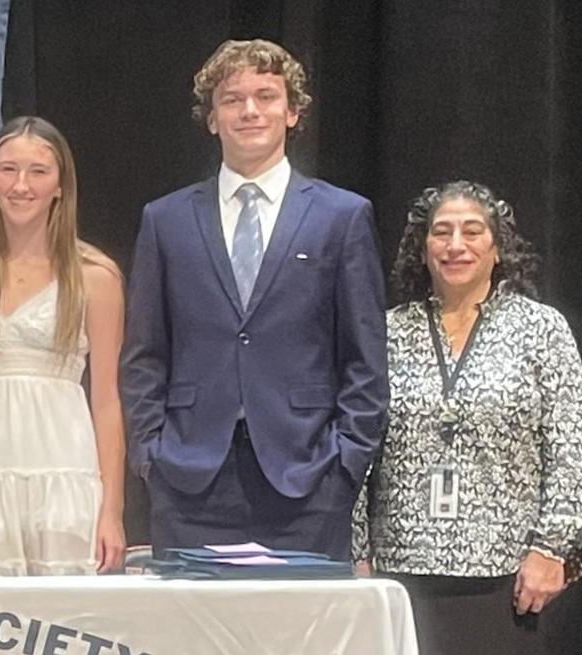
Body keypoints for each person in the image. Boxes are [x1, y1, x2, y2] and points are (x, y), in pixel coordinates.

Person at [356, 181, 582, 655]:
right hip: (406, 556)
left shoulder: (540, 331)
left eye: (472, 231)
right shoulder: (390, 331)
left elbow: (573, 446)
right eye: (442, 231)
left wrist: (553, 546)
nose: (456, 244)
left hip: (503, 557)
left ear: (499, 247)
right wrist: (357, 548)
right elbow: (359, 446)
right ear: (422, 247)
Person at [121, 38, 386, 558]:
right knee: (192, 616)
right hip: (189, 477)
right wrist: (151, 455)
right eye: (232, 99)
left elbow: (365, 359)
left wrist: (346, 463)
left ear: (292, 111)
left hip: (307, 477)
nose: (249, 111)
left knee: (300, 617)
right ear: (211, 118)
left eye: (266, 96)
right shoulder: (166, 219)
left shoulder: (341, 216)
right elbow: (144, 354)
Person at [0, 116, 127, 575]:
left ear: (60, 186)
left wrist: (112, 511)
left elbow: (106, 402)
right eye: (8, 170)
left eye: (38, 171)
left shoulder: (94, 278)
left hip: (62, 475)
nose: (21, 185)